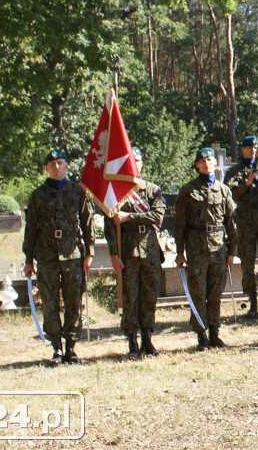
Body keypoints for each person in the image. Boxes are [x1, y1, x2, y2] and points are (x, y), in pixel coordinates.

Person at [22, 149, 95, 365]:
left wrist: (89, 253)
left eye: (60, 163)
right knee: (50, 302)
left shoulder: (77, 191)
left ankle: (71, 347)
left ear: (66, 166)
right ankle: (56, 348)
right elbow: (31, 228)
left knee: (74, 302)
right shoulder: (37, 195)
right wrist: (28, 260)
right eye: (52, 163)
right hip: (47, 256)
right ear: (46, 168)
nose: (56, 167)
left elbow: (87, 223)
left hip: (72, 254)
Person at [105, 147, 166, 360]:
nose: (135, 163)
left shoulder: (152, 190)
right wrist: (113, 253)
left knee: (149, 295)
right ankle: (132, 340)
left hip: (149, 251)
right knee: (130, 297)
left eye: (138, 160)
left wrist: (128, 217)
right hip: (127, 252)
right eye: (131, 160)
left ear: (142, 163)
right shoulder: (117, 193)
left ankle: (148, 338)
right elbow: (110, 227)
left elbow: (157, 216)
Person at [175, 147, 238, 351]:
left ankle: (214, 332)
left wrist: (232, 252)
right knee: (198, 292)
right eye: (203, 160)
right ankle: (201, 334)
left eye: (210, 159)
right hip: (196, 249)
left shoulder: (223, 190)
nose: (207, 163)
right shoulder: (188, 191)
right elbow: (180, 224)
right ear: (197, 165)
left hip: (219, 248)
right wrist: (179, 252)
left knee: (215, 293)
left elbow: (231, 223)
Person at [223, 136, 258, 320]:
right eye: (249, 147)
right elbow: (230, 191)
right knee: (247, 263)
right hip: (245, 220)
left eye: (255, 147)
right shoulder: (235, 171)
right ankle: (253, 302)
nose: (252, 150)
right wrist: (246, 183)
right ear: (242, 149)